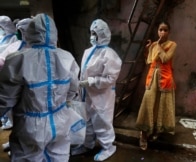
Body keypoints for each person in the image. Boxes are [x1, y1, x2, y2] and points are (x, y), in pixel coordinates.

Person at [0, 13, 82, 161]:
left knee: (28, 157)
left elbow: (5, 99)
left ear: (30, 33)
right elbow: (72, 90)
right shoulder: (67, 57)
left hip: (30, 127)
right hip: (60, 122)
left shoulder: (18, 59)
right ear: (54, 34)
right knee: (59, 157)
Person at [75, 19, 122, 161]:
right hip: (87, 94)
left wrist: (91, 81)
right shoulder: (88, 51)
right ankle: (87, 144)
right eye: (91, 32)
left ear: (102, 34)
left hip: (102, 96)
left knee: (102, 121)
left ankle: (108, 147)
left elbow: (110, 78)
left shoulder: (110, 55)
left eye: (95, 33)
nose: (92, 35)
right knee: (87, 121)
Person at [135, 20, 177, 150]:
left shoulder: (173, 44)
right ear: (157, 31)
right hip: (152, 76)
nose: (162, 32)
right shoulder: (153, 44)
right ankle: (143, 133)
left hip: (165, 78)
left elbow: (165, 58)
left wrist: (157, 46)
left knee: (160, 105)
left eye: (165, 30)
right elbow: (149, 61)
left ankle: (155, 130)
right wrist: (148, 49)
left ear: (169, 32)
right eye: (160, 30)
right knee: (148, 101)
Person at [1, 17, 32, 155]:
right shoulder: (15, 45)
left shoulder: (34, 47)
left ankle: (24, 145)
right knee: (15, 116)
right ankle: (16, 141)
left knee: (28, 119)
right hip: (14, 87)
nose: (18, 33)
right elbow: (3, 59)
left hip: (29, 89)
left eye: (21, 30)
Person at [0, 16, 18, 130]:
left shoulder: (14, 39)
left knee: (11, 98)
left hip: (9, 71)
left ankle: (12, 122)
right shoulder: (3, 38)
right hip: (3, 70)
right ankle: (6, 120)